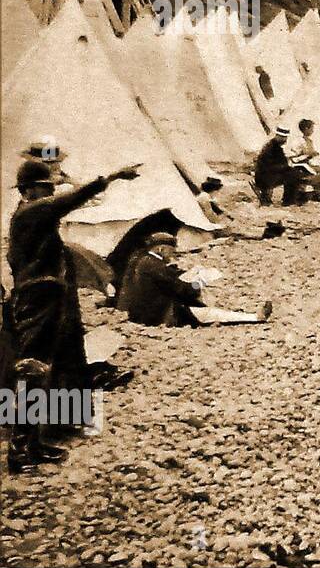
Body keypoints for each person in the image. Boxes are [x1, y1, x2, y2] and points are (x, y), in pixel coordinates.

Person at [6, 161, 141, 471]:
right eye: (45, 187)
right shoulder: (30, 212)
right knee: (31, 370)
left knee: (42, 367)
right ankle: (19, 450)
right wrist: (111, 175)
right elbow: (68, 200)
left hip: (46, 296)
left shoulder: (31, 215)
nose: (50, 191)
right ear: (28, 190)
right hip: (37, 298)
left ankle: (34, 442)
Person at [117, 233, 272, 327]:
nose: (173, 253)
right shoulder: (153, 265)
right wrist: (200, 282)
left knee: (203, 309)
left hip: (137, 311)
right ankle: (254, 317)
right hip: (156, 314)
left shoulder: (142, 260)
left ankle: (246, 315)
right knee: (208, 313)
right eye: (171, 250)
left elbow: (166, 279)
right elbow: (183, 290)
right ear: (161, 249)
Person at [287, 119, 320, 201]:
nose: (313, 130)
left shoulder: (308, 141)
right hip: (301, 166)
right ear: (306, 129)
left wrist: (311, 155)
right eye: (312, 128)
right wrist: (308, 154)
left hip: (308, 164)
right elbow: (293, 157)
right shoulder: (298, 141)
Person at [253, 126, 302, 206]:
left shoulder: (273, 146)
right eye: (284, 138)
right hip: (265, 177)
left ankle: (289, 199)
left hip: (266, 175)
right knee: (293, 175)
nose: (285, 140)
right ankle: (288, 201)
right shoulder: (272, 148)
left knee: (292, 172)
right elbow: (270, 166)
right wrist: (286, 167)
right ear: (279, 137)